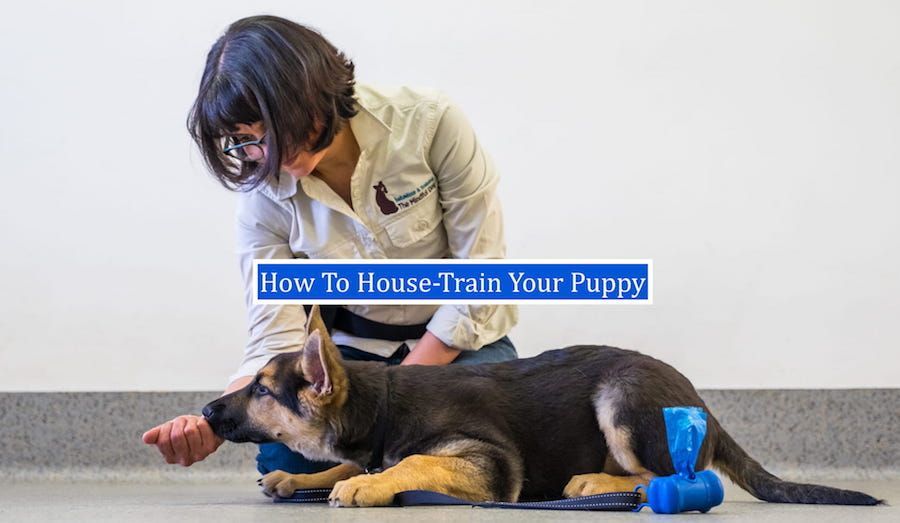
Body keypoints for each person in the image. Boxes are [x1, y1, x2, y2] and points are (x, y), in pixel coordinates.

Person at [142, 15, 518, 477]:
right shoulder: (261, 199)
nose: (267, 154)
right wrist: (214, 423)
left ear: (316, 94)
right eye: (244, 140)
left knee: (480, 442)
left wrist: (396, 403)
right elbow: (275, 333)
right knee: (286, 460)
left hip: (456, 343)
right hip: (350, 361)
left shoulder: (430, 123)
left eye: (273, 129)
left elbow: (481, 274)